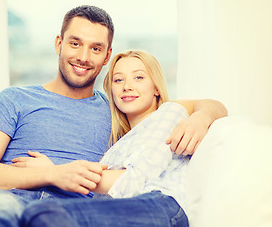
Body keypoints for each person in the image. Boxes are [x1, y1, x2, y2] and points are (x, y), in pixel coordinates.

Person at [0, 5, 227, 227]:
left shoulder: (119, 111)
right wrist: (52, 175)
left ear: (107, 56)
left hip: (71, 214)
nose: (83, 57)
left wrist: (200, 119)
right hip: (7, 198)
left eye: (96, 49)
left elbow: (207, 106)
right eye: (75, 44)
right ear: (59, 44)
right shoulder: (15, 99)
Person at [18, 50, 206, 227]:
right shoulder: (119, 144)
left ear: (156, 88)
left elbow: (134, 179)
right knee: (32, 214)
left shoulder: (168, 113)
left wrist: (55, 173)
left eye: (138, 77)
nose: (127, 86)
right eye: (118, 80)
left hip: (160, 207)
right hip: (129, 210)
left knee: (42, 215)